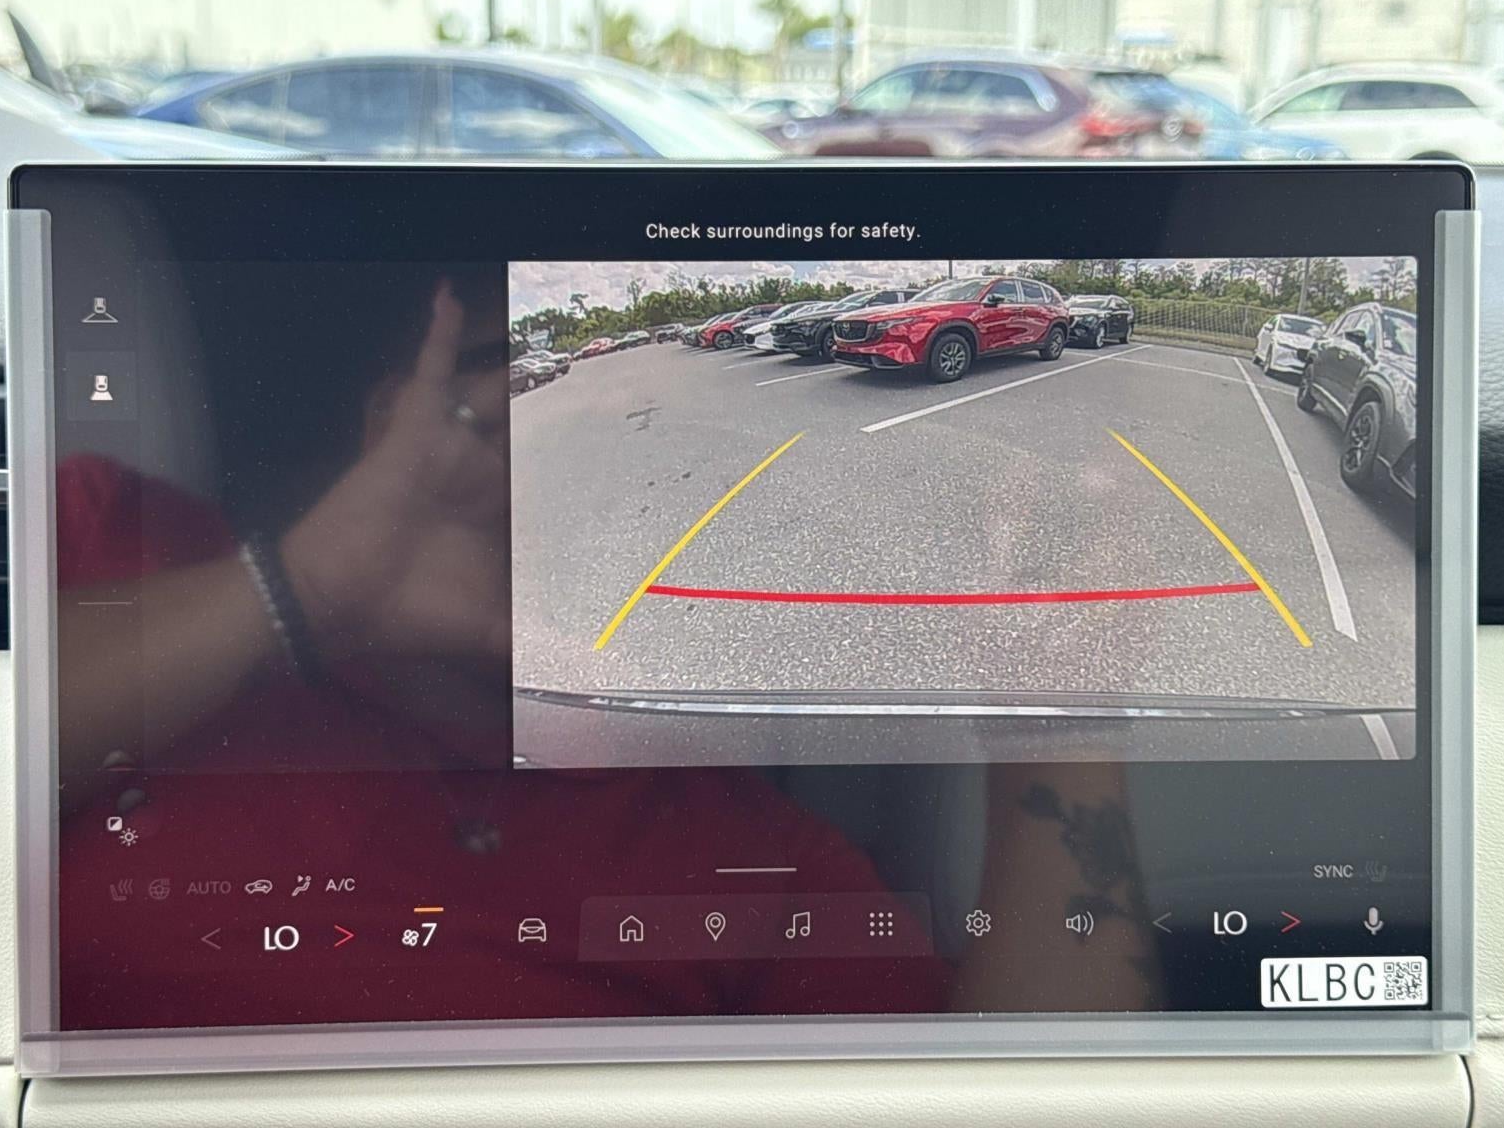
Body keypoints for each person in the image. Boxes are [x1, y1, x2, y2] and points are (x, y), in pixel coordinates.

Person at [54, 279, 950, 1031]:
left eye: (646, 438)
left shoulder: (756, 850)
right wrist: (302, 592)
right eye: (506, 380)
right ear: (389, 416)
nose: (585, 447)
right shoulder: (119, 543)